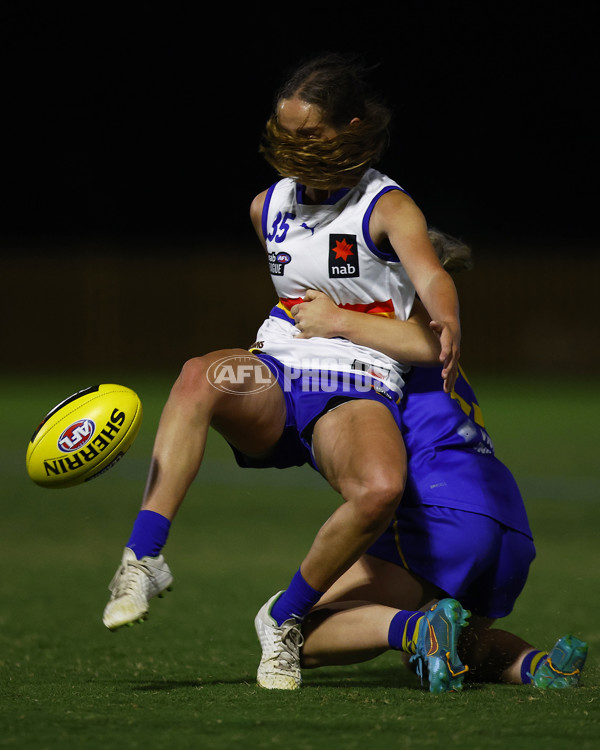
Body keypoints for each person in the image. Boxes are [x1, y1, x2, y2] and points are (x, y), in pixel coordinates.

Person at [102, 52, 469, 694]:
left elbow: (432, 273)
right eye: (284, 133)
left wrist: (444, 316)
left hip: (356, 381)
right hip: (277, 370)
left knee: (380, 490)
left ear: (351, 128)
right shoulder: (265, 206)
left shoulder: (386, 205)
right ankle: (142, 557)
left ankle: (286, 618)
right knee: (200, 376)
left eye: (310, 135)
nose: (293, 147)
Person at [289, 229, 588, 690]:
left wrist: (334, 318)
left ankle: (417, 629)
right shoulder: (440, 348)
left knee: (296, 631)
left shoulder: (387, 342)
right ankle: (540, 666)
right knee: (451, 647)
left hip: (443, 514)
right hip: (509, 526)